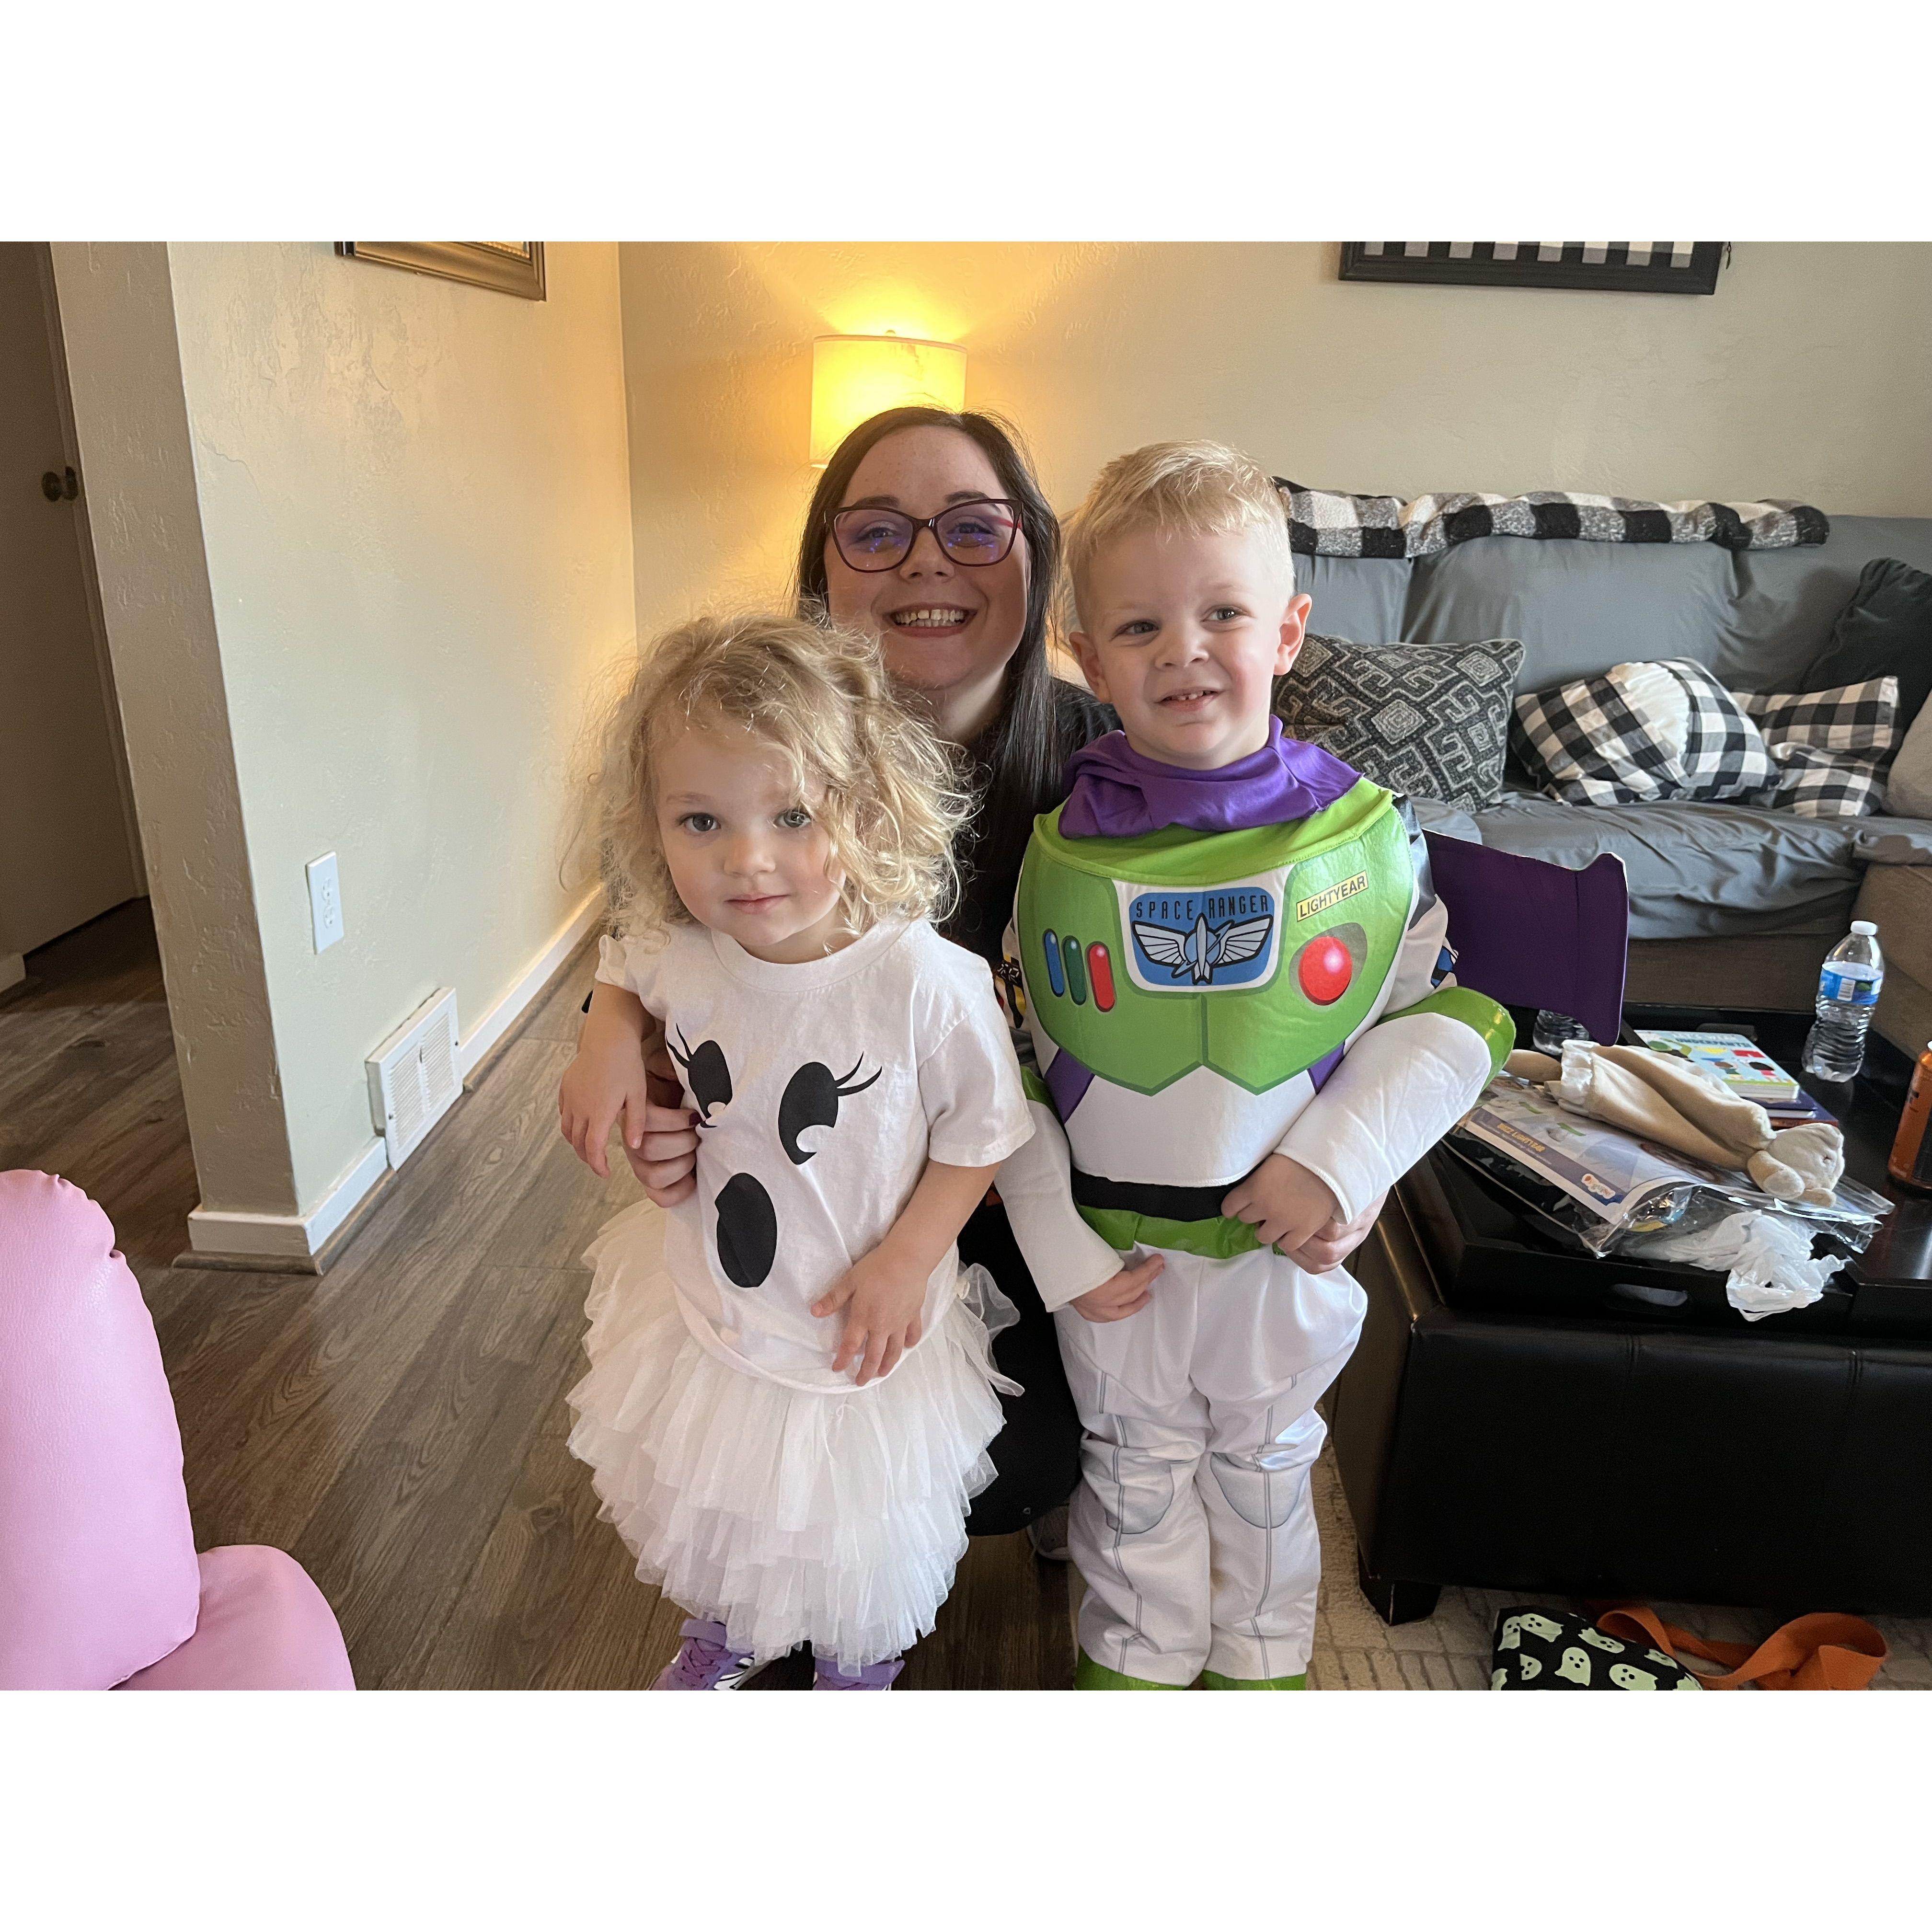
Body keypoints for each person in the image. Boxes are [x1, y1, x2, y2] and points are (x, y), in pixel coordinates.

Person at [564, 405, 1387, 1554]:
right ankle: (784, 1592)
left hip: (1033, 1192)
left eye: (970, 526)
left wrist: (1340, 1163)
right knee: (756, 1433)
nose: (926, 563)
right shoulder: (760, 756)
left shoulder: (1132, 768)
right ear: (823, 573)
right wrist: (635, 1048)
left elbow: (1292, 976)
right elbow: (666, 906)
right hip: (812, 1187)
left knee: (1019, 1462)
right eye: (877, 534)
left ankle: (893, 1583)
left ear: (1036, 561)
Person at [992, 442, 1514, 1689]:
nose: (1184, 648)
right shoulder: (1058, 851)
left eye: (1222, 612)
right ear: (1083, 650)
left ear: (1287, 632)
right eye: (1140, 624)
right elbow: (1005, 1060)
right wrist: (1058, 1246)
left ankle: (1262, 1672)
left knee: (1270, 1470)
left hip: (1284, 1252)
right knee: (1132, 1473)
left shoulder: (1366, 839)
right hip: (1117, 1256)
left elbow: (1449, 1024)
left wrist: (1345, 1172)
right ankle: (1134, 1675)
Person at [559, 613, 1033, 1689]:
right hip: (718, 1298)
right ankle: (731, 1626)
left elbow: (984, 1132)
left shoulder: (921, 982)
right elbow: (626, 959)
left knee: (855, 1516)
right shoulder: (682, 949)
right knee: (718, 1484)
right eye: (701, 822)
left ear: (862, 810)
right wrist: (602, 1044)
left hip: (857, 1312)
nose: (748, 860)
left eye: (790, 814)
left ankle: (860, 1654)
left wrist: (909, 1258)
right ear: (652, 828)